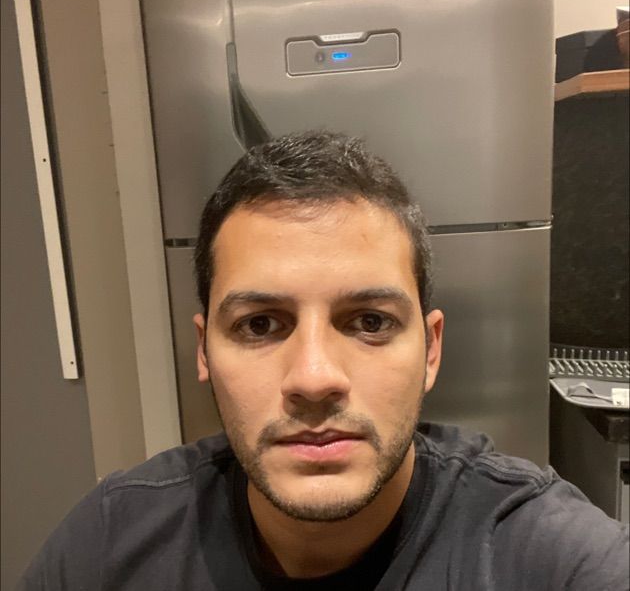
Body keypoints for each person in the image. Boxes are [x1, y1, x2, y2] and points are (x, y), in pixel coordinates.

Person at [19, 131, 628, 590]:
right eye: (260, 324)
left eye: (370, 322)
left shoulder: (545, 556)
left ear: (431, 350)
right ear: (204, 350)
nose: (314, 379)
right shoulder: (110, 544)